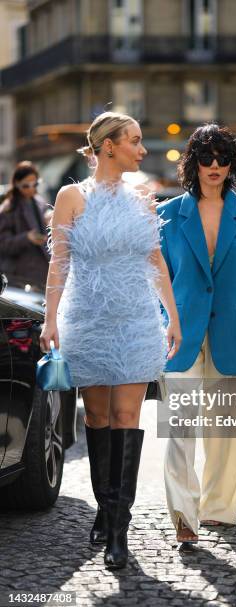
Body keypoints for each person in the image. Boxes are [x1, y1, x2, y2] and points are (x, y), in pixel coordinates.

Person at [39, 111, 181, 570]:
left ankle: (119, 527)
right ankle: (104, 507)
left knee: (126, 415)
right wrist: (50, 320)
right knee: (97, 417)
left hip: (137, 319)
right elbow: (58, 262)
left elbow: (156, 260)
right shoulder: (70, 196)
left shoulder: (143, 197)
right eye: (135, 141)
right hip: (88, 319)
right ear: (107, 145)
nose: (142, 150)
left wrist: (172, 318)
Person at [158, 123, 236, 543]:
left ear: (232, 164)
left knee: (224, 430)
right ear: (193, 163)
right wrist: (161, 327)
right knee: (179, 429)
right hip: (180, 335)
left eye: (223, 158)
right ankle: (184, 516)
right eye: (206, 158)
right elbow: (159, 279)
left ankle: (220, 509)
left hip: (231, 335)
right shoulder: (166, 215)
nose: (215, 166)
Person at [0, 161, 51, 290]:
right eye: (26, 185)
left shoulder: (40, 202)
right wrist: (26, 238)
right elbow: (3, 244)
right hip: (20, 277)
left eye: (35, 184)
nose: (31, 188)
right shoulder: (8, 208)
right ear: (17, 184)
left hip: (44, 270)